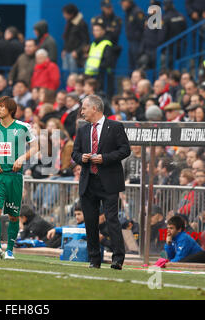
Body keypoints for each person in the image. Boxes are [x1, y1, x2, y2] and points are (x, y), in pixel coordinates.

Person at [71, 94, 131, 269]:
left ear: (94, 108)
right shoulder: (82, 130)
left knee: (112, 220)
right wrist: (82, 157)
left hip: (109, 181)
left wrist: (104, 158)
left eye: (84, 108)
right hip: (88, 181)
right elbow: (74, 153)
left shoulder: (115, 126)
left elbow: (125, 150)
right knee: (90, 222)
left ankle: (117, 258)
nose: (82, 112)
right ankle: (94, 259)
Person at [0, 96, 38, 259]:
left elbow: (35, 147)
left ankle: (10, 250)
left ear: (10, 109)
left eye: (1, 106)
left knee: (14, 215)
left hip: (14, 177)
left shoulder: (23, 127)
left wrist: (22, 158)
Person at [61, 3, 90, 74]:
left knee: (74, 76)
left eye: (65, 14)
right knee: (66, 74)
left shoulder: (82, 24)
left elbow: (86, 41)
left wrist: (77, 52)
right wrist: (64, 49)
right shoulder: (69, 23)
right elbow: (67, 38)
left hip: (76, 56)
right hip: (67, 53)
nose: (64, 16)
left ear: (71, 14)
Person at [120, 0, 145, 71]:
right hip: (131, 42)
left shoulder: (137, 12)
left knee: (137, 64)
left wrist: (141, 43)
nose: (122, 4)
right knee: (132, 65)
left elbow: (143, 28)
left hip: (138, 43)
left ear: (128, 1)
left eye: (123, 2)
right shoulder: (128, 13)